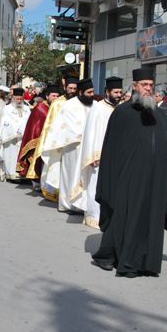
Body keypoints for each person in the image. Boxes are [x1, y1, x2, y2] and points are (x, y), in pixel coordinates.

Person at [91, 67, 167, 278]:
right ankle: (107, 256)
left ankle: (144, 262)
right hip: (128, 180)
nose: (148, 89)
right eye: (144, 85)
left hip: (154, 181)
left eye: (151, 85)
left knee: (150, 220)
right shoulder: (122, 113)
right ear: (134, 87)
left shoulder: (159, 115)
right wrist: (111, 182)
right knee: (122, 219)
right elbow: (111, 150)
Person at [40, 78, 94, 212]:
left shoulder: (94, 105)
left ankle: (83, 204)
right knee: (69, 175)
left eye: (93, 92)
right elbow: (65, 126)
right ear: (81, 93)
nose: (92, 95)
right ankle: (67, 204)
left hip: (88, 147)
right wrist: (84, 134)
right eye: (89, 92)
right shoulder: (69, 105)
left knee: (85, 176)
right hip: (72, 147)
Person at [75, 77, 122, 229]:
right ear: (107, 92)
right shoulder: (98, 108)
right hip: (99, 156)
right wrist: (93, 155)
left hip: (116, 156)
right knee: (95, 186)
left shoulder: (121, 108)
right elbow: (91, 133)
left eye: (120, 92)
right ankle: (93, 216)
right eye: (116, 92)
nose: (119, 95)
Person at [36, 76, 79, 201]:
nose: (72, 90)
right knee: (57, 167)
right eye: (70, 88)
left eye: (74, 88)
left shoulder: (79, 102)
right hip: (58, 141)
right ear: (65, 88)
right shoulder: (57, 103)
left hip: (72, 141)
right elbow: (50, 125)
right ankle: (54, 192)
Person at [17, 85, 62, 189]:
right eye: (53, 96)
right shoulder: (40, 108)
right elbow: (35, 127)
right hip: (41, 140)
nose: (55, 98)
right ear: (47, 96)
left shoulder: (59, 107)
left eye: (57, 96)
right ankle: (39, 183)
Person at [0, 87, 31, 181]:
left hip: (23, 138)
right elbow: (5, 122)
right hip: (10, 138)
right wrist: (16, 130)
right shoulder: (7, 109)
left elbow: (28, 121)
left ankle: (22, 174)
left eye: (21, 99)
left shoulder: (27, 109)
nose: (19, 101)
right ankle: (11, 174)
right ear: (13, 98)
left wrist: (23, 130)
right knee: (11, 155)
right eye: (17, 99)